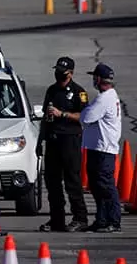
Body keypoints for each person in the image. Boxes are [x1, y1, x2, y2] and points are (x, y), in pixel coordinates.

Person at [37, 57, 88, 232]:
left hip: (70, 140)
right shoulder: (51, 90)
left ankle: (80, 218)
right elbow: (45, 116)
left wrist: (63, 114)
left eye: (62, 72)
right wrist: (40, 141)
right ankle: (56, 219)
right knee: (52, 183)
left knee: (72, 181)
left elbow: (84, 117)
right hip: (52, 140)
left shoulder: (78, 92)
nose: (58, 75)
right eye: (57, 71)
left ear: (71, 73)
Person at [81, 63, 122, 233]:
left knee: (105, 186)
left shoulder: (104, 98)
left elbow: (86, 117)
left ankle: (113, 220)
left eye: (94, 77)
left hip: (103, 150)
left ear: (99, 79)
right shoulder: (109, 96)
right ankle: (102, 219)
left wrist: (85, 108)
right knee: (97, 186)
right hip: (98, 148)